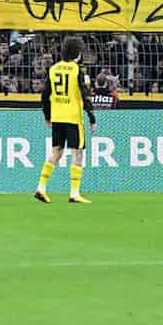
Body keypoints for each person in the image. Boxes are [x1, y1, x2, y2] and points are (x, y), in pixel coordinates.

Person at [34, 37, 97, 204]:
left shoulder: (53, 69)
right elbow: (84, 95)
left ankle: (41, 187)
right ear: (77, 53)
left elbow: (44, 95)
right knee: (77, 153)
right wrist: (91, 117)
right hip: (73, 117)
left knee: (56, 152)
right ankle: (74, 192)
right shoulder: (77, 70)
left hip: (57, 116)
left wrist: (47, 116)